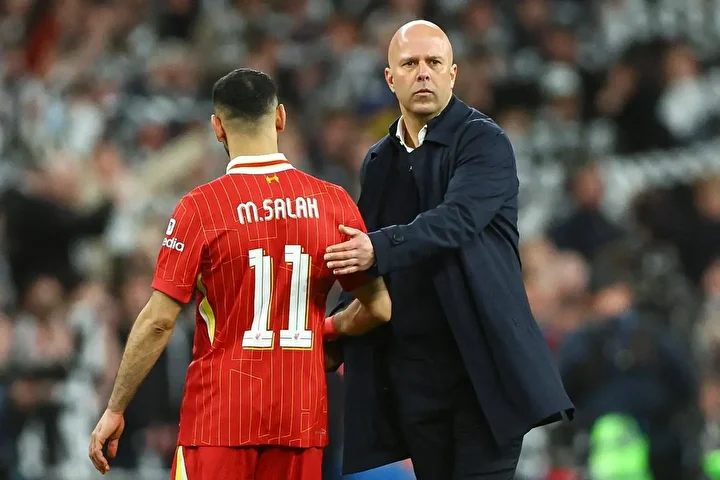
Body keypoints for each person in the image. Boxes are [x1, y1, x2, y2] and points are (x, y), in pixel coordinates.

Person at [88, 68, 392, 480]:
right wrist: (326, 331)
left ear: (217, 127)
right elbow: (379, 307)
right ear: (280, 118)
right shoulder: (333, 203)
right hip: (300, 422)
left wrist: (115, 408)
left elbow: (159, 321)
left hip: (220, 420)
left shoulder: (201, 208)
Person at [323, 20, 574, 479]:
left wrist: (376, 248)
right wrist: (338, 329)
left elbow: (457, 219)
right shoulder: (379, 161)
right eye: (410, 64)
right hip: (416, 378)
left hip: (482, 371)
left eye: (434, 62)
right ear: (390, 78)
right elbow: (366, 256)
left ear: (452, 74)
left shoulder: (483, 141)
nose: (423, 73)